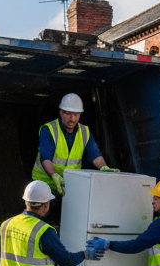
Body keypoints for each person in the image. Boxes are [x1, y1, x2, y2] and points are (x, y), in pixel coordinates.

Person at [32, 93, 118, 221]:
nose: (72, 118)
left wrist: (104, 167)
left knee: (66, 224)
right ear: (60, 112)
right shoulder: (49, 130)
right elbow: (46, 159)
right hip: (44, 185)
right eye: (68, 114)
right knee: (41, 223)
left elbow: (95, 155)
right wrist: (54, 176)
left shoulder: (85, 132)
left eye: (76, 115)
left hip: (68, 186)